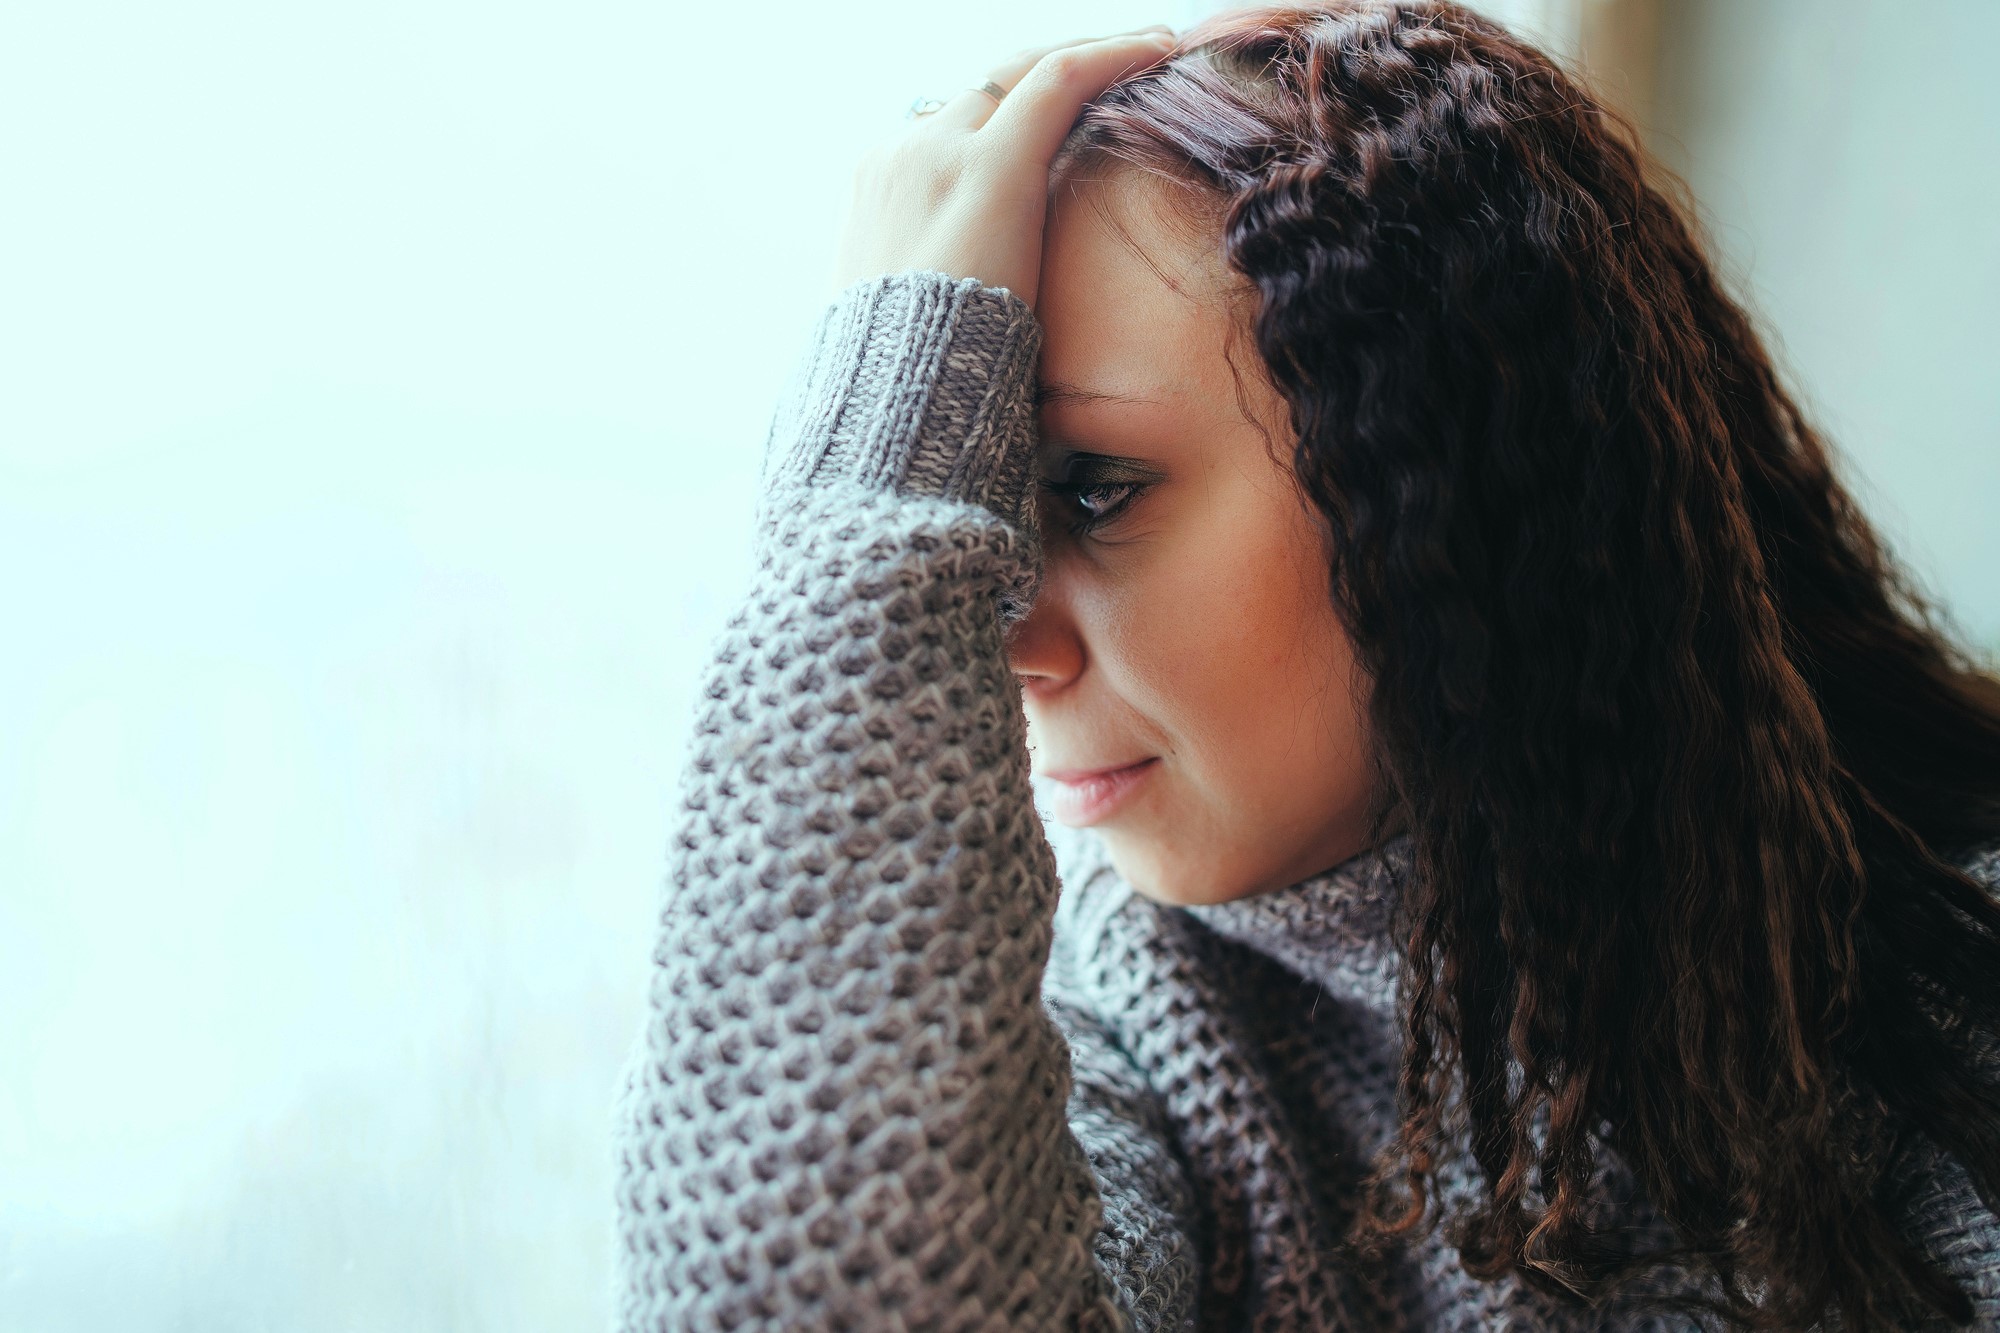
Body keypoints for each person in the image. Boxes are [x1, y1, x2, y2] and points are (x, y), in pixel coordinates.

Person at [609, 2, 2000, 1329]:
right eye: (981, 498)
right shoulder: (1106, 1063)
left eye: (1092, 489)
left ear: (1446, 478)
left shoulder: (1949, 995)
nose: (1006, 643)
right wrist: (882, 451)